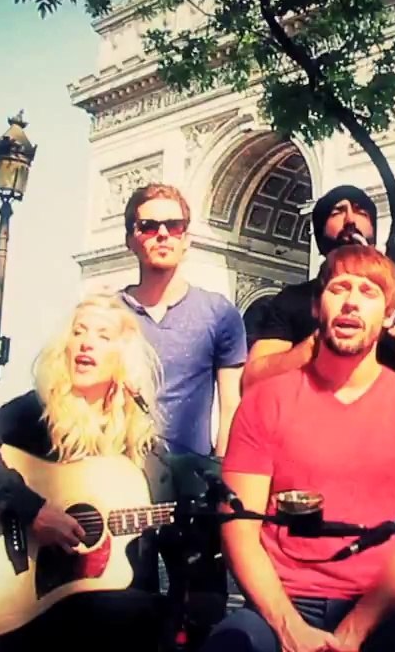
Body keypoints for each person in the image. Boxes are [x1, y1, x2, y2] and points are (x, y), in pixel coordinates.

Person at [203, 245, 395, 652]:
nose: (352, 302)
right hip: (279, 603)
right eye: (339, 288)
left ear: (390, 316)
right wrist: (288, 627)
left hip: (379, 609)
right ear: (319, 307)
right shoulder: (264, 403)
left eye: (369, 293)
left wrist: (354, 632)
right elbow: (239, 529)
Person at [0, 293, 168, 651]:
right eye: (78, 332)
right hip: (36, 606)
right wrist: (32, 510)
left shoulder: (140, 443)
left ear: (123, 357)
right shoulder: (40, 411)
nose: (86, 343)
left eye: (103, 336)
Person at [118, 182, 248, 644]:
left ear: (188, 237)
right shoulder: (107, 315)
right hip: (122, 486)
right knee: (131, 607)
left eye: (173, 225)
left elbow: (231, 404)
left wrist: (222, 477)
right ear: (131, 237)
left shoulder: (219, 313)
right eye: (148, 225)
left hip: (194, 487)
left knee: (200, 613)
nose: (162, 234)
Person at [244, 184, 395, 401]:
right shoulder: (293, 299)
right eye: (337, 212)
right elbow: (253, 380)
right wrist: (322, 340)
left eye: (361, 211)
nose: (350, 220)